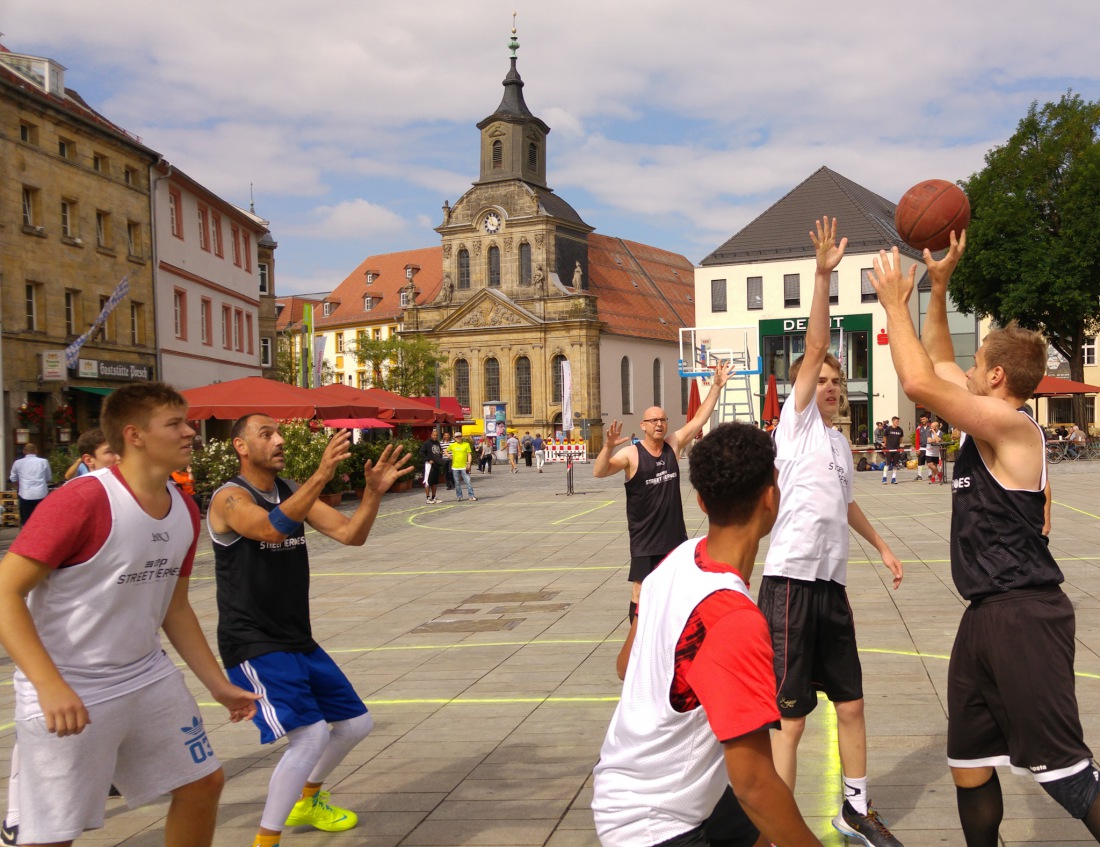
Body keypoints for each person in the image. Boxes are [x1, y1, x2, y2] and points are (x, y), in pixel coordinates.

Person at [869, 229, 1100, 844]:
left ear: (996, 377)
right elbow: (941, 363)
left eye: (976, 367)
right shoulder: (984, 421)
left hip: (1026, 614)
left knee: (1068, 778)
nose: (963, 372)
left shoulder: (1014, 430)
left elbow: (921, 382)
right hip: (985, 614)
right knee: (969, 766)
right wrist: (938, 290)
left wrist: (897, 304)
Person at [0, 382, 258, 847]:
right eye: (175, 424)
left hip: (146, 676)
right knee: (53, 834)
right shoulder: (81, 501)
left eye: (188, 421)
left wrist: (216, 684)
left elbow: (174, 607)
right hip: (71, 683)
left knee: (203, 784)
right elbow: (5, 593)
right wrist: (49, 684)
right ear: (135, 435)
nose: (191, 433)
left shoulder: (183, 506)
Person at [592, 423, 823, 847]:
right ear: (772, 496)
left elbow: (626, 665)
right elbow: (753, 783)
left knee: (760, 833)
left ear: (700, 500)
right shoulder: (734, 618)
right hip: (655, 825)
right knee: (767, 808)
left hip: (623, 788)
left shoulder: (678, 558)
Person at [759, 217, 904, 846]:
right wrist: (821, 276)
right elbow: (815, 346)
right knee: (789, 723)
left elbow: (845, 506)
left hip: (830, 589)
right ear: (801, 388)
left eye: (837, 382)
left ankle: (854, 808)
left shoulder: (842, 446)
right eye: (819, 380)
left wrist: (884, 545)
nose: (828, 386)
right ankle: (777, 825)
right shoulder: (794, 430)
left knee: (852, 704)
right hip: (789, 584)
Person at [207, 414, 412, 847]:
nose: (279, 440)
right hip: (253, 641)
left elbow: (350, 533)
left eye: (279, 432)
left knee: (356, 724)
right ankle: (265, 841)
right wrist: (322, 475)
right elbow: (267, 529)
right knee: (311, 735)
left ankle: (307, 799)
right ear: (241, 447)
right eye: (267, 434)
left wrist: (372, 494)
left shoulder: (288, 489)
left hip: (296, 637)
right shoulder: (229, 498)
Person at [593, 362, 730, 622]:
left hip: (674, 535)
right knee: (641, 589)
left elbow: (699, 418)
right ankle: (637, 640)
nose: (659, 424)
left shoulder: (672, 445)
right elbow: (600, 471)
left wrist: (716, 386)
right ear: (643, 425)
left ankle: (670, 635)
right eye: (653, 420)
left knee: (676, 589)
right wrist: (607, 447)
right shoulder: (632, 454)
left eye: (662, 419)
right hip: (645, 539)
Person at [9, 443, 52, 526]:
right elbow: (48, 478)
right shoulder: (43, 462)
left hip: (25, 494)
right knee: (41, 519)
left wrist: (19, 485)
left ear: (24, 451)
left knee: (26, 521)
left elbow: (13, 478)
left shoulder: (18, 463)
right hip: (41, 494)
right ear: (36, 451)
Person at [448, 433, 477, 501]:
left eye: (459, 436)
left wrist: (469, 464)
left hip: (464, 466)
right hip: (455, 466)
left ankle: (471, 495)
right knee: (457, 482)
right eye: (457, 437)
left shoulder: (466, 444)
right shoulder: (452, 445)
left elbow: (469, 454)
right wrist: (449, 456)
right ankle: (459, 496)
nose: (458, 438)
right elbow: (446, 450)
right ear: (454, 438)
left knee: (468, 481)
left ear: (462, 437)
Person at [420, 430, 443, 503]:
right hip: (429, 466)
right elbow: (421, 452)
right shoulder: (427, 443)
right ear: (431, 435)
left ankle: (434, 497)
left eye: (436, 435)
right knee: (428, 481)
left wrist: (440, 460)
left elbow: (439, 452)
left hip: (436, 465)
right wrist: (428, 459)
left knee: (434, 482)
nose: (435, 436)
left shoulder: (437, 443)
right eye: (434, 435)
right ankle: (428, 498)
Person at [881, 416, 905, 484]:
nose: (897, 423)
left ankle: (893, 478)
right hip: (889, 448)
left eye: (898, 421)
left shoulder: (900, 430)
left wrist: (898, 446)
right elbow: (885, 437)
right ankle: (884, 478)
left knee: (895, 464)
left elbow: (901, 439)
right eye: (896, 421)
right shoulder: (888, 429)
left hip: (896, 449)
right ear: (893, 421)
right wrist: (886, 445)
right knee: (887, 464)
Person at [915, 414, 931, 480]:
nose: (922, 421)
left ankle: (930, 475)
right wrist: (917, 449)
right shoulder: (918, 428)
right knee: (920, 462)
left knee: (930, 462)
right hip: (922, 448)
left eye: (923, 419)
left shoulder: (931, 427)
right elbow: (917, 439)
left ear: (927, 419)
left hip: (930, 447)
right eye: (921, 419)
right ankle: (919, 475)